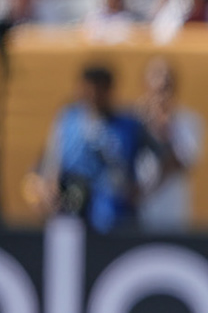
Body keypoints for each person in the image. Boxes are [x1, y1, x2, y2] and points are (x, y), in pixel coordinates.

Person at [31, 64, 152, 232]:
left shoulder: (130, 125)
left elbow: (160, 158)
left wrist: (141, 190)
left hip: (117, 216)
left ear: (109, 90)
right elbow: (49, 162)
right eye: (88, 90)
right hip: (72, 211)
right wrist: (47, 188)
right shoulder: (67, 120)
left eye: (99, 90)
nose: (93, 96)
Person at [134, 58, 202, 232]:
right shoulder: (131, 120)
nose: (162, 89)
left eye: (167, 83)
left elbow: (182, 162)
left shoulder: (189, 122)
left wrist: (164, 128)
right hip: (134, 212)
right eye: (156, 79)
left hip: (171, 212)